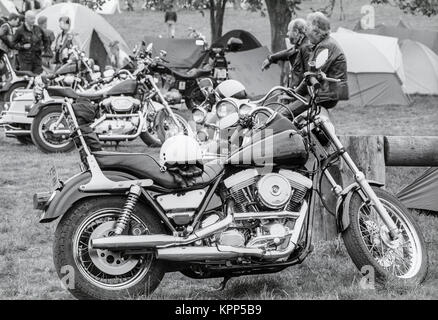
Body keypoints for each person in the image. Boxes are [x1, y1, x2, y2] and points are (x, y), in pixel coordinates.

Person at [279, 12, 349, 119]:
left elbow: (312, 75)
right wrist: (294, 93)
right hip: (323, 93)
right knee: (295, 117)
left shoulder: (325, 47)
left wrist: (294, 94)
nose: (306, 32)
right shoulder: (323, 44)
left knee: (284, 115)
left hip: (325, 95)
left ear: (317, 31)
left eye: (308, 28)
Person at [261, 18, 312, 89]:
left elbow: (308, 76)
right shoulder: (300, 46)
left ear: (296, 31)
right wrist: (270, 59)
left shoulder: (306, 48)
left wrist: (294, 93)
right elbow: (288, 52)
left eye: (289, 31)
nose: (287, 34)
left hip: (301, 95)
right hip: (296, 92)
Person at [12, 10, 49, 74]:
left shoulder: (38, 28)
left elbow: (46, 40)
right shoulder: (20, 30)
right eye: (31, 18)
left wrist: (45, 50)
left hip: (37, 60)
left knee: (38, 79)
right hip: (25, 61)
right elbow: (12, 44)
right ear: (26, 19)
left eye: (34, 18)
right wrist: (22, 46)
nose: (33, 20)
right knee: (27, 80)